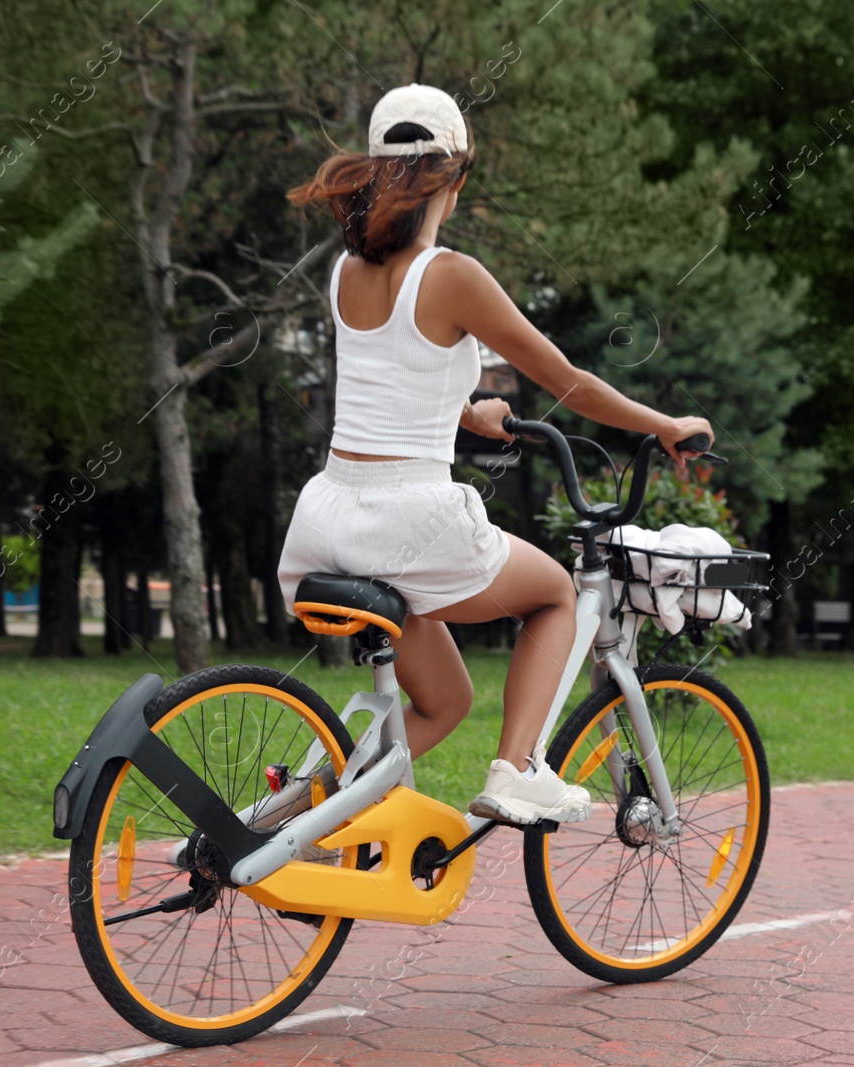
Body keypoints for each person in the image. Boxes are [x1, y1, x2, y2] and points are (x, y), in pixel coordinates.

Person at [277, 84, 714, 825]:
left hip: (328, 515)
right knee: (554, 598)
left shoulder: (345, 272)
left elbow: (390, 376)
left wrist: (467, 411)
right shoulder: (454, 275)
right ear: (456, 176)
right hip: (409, 517)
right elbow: (569, 383)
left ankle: (283, 819)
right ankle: (517, 769)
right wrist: (665, 423)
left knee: (445, 701)